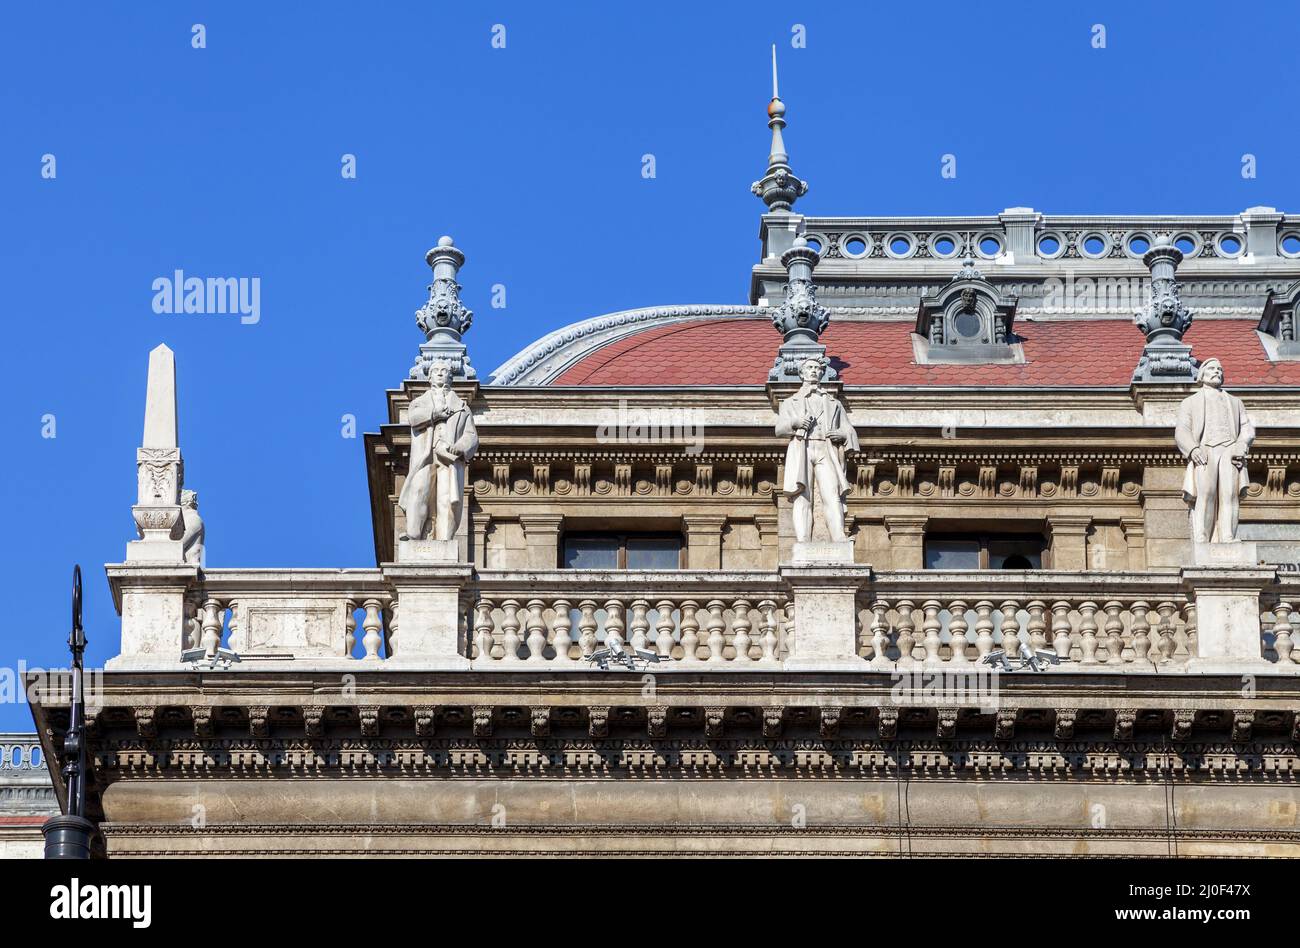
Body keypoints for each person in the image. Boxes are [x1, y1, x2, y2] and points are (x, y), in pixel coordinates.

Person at [776, 357, 860, 542]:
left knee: (832, 494)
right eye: (809, 367)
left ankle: (838, 536)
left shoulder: (833, 403)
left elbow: (848, 429)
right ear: (802, 373)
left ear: (822, 373)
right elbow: (780, 429)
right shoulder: (791, 402)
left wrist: (842, 434)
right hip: (802, 448)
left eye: (816, 368)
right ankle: (803, 539)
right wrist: (795, 422)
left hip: (825, 449)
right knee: (802, 496)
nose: (813, 370)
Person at [1174, 358, 1254, 543]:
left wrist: (1241, 447)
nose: (1217, 371)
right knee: (1206, 493)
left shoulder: (1235, 402)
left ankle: (1228, 535)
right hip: (1205, 450)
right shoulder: (1190, 402)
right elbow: (1182, 430)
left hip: (1230, 450)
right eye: (1212, 368)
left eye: (1219, 369)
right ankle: (1202, 535)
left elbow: (1247, 429)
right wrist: (1193, 448)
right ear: (1201, 375)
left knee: (1230, 494)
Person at [398, 361, 479, 541]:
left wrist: (459, 447)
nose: (440, 374)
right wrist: (435, 414)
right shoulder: (419, 402)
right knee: (419, 490)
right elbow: (413, 418)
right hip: (426, 455)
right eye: (436, 371)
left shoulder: (462, 407)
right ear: (430, 377)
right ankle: (413, 533)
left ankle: (444, 538)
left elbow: (471, 436)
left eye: (444, 371)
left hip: (449, 457)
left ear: (450, 377)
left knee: (446, 497)